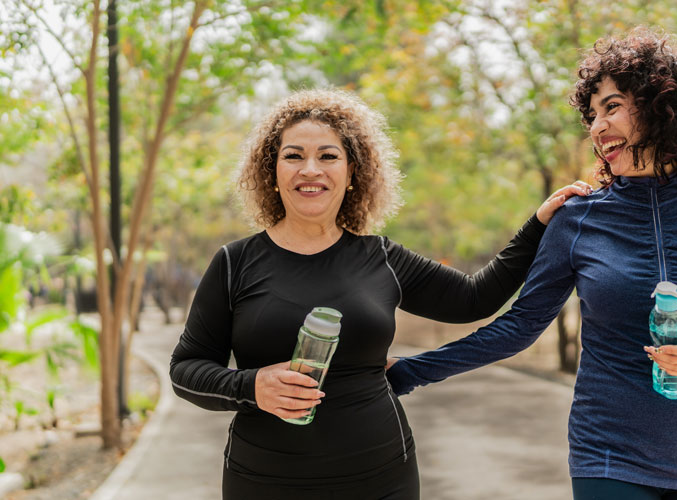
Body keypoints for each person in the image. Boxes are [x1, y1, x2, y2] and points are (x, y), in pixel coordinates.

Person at [386, 26, 677, 500]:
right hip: (608, 453)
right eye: (591, 115)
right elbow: (520, 326)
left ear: (662, 107)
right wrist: (406, 373)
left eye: (612, 107)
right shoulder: (578, 219)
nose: (597, 126)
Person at [169, 88, 591, 500]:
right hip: (261, 478)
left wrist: (536, 226)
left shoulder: (381, 257)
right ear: (271, 172)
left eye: (328, 156)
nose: (310, 169)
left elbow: (474, 299)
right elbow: (185, 369)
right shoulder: (234, 263)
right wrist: (251, 385)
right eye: (293, 155)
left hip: (381, 474)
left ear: (353, 173)